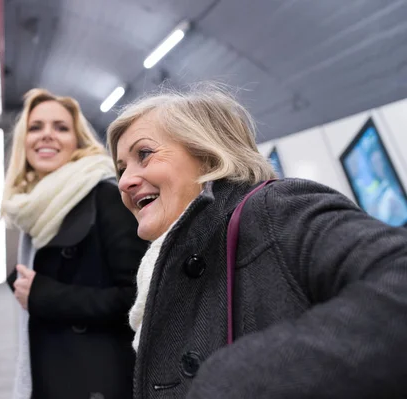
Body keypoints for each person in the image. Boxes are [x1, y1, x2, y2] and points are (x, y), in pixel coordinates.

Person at [107, 85, 407, 398]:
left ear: (209, 154)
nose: (126, 181)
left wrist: (238, 380)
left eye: (145, 154)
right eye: (121, 168)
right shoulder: (156, 274)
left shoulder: (273, 208)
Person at [2, 88, 147, 399]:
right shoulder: (34, 206)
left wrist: (45, 294)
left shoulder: (106, 196)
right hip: (52, 372)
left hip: (98, 377)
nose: (47, 136)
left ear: (78, 141)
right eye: (36, 127)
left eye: (61, 127)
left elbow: (136, 296)